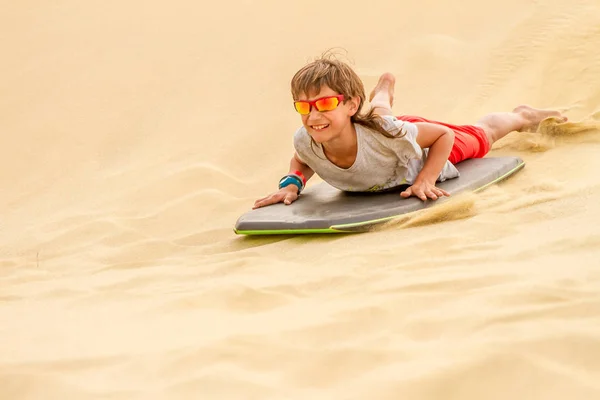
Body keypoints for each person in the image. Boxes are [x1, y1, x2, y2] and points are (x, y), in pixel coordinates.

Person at [253, 54, 567, 209]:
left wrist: (426, 178)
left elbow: (442, 137)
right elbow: (302, 157)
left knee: (482, 135)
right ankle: (382, 96)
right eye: (304, 107)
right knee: (378, 122)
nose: (313, 115)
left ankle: (521, 116)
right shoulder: (307, 139)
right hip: (384, 130)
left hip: (421, 148)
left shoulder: (385, 134)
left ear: (350, 104)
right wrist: (293, 183)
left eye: (324, 103)